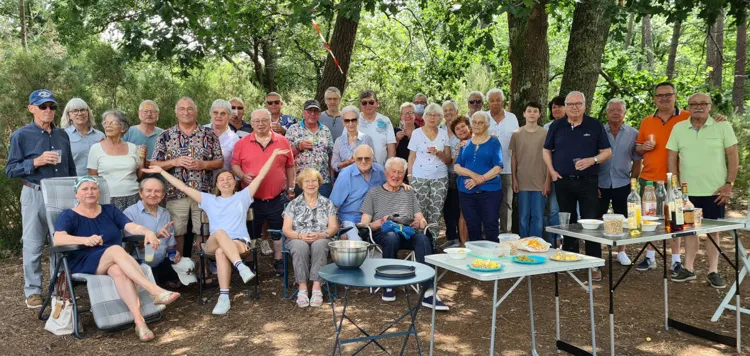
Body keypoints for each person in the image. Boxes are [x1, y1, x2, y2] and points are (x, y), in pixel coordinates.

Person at [144, 148, 288, 314]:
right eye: (221, 179)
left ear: (235, 183)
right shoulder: (208, 199)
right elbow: (182, 187)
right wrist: (161, 170)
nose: (225, 181)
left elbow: (261, 175)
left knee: (221, 252)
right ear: (217, 185)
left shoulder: (243, 196)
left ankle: (224, 297)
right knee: (219, 233)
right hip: (212, 242)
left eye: (229, 178)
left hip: (238, 243)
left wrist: (274, 155)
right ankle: (240, 266)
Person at [53, 176, 180, 342]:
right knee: (115, 249)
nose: (90, 192)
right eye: (85, 189)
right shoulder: (69, 215)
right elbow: (58, 239)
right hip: (84, 260)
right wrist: (84, 240)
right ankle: (154, 290)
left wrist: (147, 231)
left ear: (99, 192)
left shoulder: (110, 210)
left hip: (113, 260)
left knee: (118, 270)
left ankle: (139, 323)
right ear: (76, 194)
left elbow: (130, 226)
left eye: (94, 188)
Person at [5, 89, 76, 309]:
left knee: (61, 242)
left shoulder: (62, 135)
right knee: (33, 244)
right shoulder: (21, 135)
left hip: (62, 194)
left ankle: (58, 288)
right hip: (34, 193)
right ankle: (33, 291)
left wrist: (75, 191)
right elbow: (10, 170)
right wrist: (36, 162)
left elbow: (71, 166)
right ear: (31, 108)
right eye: (43, 106)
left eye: (51, 106)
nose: (48, 110)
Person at [667, 93, 738, 288]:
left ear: (710, 106)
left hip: (716, 191)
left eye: (703, 103)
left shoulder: (722, 126)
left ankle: (713, 271)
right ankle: (688, 269)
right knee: (689, 231)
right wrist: (675, 186)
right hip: (687, 193)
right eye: (694, 104)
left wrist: (729, 184)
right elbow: (672, 158)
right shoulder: (679, 128)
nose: (698, 107)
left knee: (713, 232)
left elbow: (733, 156)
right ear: (688, 107)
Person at [360, 157, 449, 311]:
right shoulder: (373, 193)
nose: (396, 175)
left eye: (400, 173)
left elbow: (420, 218)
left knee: (422, 238)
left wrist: (419, 222)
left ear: (404, 174)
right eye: (393, 171)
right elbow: (363, 224)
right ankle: (388, 284)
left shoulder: (409, 192)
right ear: (386, 172)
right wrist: (380, 222)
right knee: (391, 236)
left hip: (407, 232)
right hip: (384, 233)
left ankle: (429, 291)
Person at [543, 91, 612, 281]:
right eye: (570, 104)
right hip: (563, 181)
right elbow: (546, 150)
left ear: (584, 105)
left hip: (588, 182)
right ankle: (570, 258)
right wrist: (552, 171)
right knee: (569, 222)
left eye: (578, 104)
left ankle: (594, 263)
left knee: (590, 222)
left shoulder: (595, 124)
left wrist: (593, 160)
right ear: (565, 106)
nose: (574, 107)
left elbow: (607, 152)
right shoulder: (557, 126)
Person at [151, 97, 224, 259]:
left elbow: (220, 161)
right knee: (177, 233)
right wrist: (174, 162)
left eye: (190, 108)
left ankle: (203, 271)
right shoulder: (165, 135)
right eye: (182, 109)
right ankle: (180, 270)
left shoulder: (209, 134)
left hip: (203, 193)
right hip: (174, 193)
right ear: (176, 113)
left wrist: (202, 165)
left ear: (196, 112)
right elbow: (154, 163)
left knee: (204, 232)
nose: (186, 112)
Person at [231, 109, 296, 276]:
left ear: (270, 122)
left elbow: (290, 165)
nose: (260, 124)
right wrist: (242, 175)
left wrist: (291, 187)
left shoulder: (282, 141)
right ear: (251, 123)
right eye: (257, 121)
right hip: (251, 198)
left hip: (277, 196)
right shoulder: (242, 143)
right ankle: (251, 262)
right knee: (251, 233)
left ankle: (279, 260)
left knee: (278, 232)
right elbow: (234, 165)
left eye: (264, 120)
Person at [633, 82, 689, 274]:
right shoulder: (647, 121)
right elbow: (638, 148)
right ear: (654, 98)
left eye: (668, 94)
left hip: (675, 179)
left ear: (675, 95)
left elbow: (706, 125)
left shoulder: (687, 118)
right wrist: (643, 148)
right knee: (650, 221)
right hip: (649, 178)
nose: (664, 98)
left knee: (675, 220)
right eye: (660, 95)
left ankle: (675, 260)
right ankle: (650, 257)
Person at [282, 168, 339, 308]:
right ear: (301, 185)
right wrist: (300, 236)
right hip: (297, 238)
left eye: (314, 181)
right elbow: (286, 229)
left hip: (321, 237)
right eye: (307, 181)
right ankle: (302, 287)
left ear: (319, 183)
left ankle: (316, 287)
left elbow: (333, 227)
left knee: (319, 244)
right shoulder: (293, 204)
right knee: (299, 246)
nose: (311, 184)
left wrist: (321, 234)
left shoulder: (327, 203)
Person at [597, 99, 641, 266]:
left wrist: (633, 184)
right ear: (607, 113)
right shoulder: (599, 131)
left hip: (623, 183)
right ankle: (598, 251)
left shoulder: (633, 133)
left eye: (619, 110)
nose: (616, 112)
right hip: (600, 183)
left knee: (624, 218)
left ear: (624, 113)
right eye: (612, 110)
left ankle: (621, 252)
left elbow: (637, 160)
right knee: (596, 218)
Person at [454, 112, 504, 243]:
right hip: (467, 193)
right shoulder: (466, 144)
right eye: (474, 122)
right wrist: (473, 175)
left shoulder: (494, 142)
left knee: (491, 226)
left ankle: (493, 260)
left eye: (480, 122)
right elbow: (457, 167)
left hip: (490, 192)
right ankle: (476, 260)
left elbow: (498, 167)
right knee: (473, 227)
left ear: (487, 125)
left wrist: (479, 179)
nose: (476, 125)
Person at [123, 177, 180, 289]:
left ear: (163, 195)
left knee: (188, 266)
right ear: (140, 193)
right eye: (148, 191)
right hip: (140, 263)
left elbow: (170, 244)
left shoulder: (165, 213)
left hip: (162, 261)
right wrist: (155, 236)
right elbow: (128, 248)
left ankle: (165, 278)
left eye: (157, 191)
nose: (153, 194)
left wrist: (175, 253)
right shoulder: (130, 213)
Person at [88, 110, 143, 211]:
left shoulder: (132, 147)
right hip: (106, 198)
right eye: (105, 122)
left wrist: (143, 158)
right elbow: (92, 178)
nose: (107, 125)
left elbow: (139, 175)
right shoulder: (95, 148)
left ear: (123, 128)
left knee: (131, 226)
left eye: (112, 122)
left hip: (133, 197)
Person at [510, 102, 550, 238]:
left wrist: (547, 181)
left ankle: (536, 245)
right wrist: (514, 179)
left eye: (535, 111)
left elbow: (549, 158)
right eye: (529, 111)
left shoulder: (545, 134)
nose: (532, 113)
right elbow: (514, 158)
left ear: (539, 114)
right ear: (524, 114)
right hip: (522, 180)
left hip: (540, 181)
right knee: (523, 216)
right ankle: (523, 244)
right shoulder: (516, 134)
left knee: (538, 217)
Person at [329, 145, 386, 241]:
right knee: (358, 246)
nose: (363, 161)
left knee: (390, 239)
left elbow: (389, 187)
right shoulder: (345, 175)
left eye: (367, 158)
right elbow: (332, 205)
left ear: (373, 158)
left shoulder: (380, 171)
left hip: (375, 219)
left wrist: (401, 185)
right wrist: (339, 228)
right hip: (351, 219)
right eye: (359, 158)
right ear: (354, 159)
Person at [407, 103, 451, 226]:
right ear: (424, 117)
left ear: (440, 118)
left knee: (436, 212)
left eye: (436, 115)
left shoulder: (444, 134)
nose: (432, 117)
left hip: (440, 178)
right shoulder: (416, 133)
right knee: (419, 213)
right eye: (429, 114)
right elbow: (411, 156)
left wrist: (439, 153)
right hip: (419, 177)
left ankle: (433, 242)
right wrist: (410, 176)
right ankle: (420, 241)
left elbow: (448, 160)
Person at [485, 88, 519, 233]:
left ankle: (506, 235)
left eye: (498, 100)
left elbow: (517, 143)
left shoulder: (512, 118)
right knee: (487, 204)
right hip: (486, 170)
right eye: (492, 100)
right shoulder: (483, 117)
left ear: (503, 101)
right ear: (488, 103)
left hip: (507, 168)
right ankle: (487, 235)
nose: (495, 103)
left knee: (506, 204)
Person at [286, 100, 334, 197]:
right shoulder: (293, 129)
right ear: (304, 112)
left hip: (322, 181)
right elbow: (286, 155)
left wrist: (332, 179)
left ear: (319, 114)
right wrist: (299, 147)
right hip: (301, 181)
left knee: (322, 210)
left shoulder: (325, 130)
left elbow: (331, 156)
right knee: (302, 211)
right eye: (309, 111)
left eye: (315, 111)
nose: (312, 114)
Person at [441, 101, 469, 248]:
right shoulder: (439, 130)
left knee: (461, 207)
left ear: (457, 111)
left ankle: (463, 238)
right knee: (448, 207)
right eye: (445, 111)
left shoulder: (463, 129)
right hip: (445, 173)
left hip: (462, 173)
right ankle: (451, 237)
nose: (448, 113)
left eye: (451, 110)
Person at [60, 98, 105, 176]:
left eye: (83, 110)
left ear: (88, 113)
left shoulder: (100, 135)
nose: (80, 113)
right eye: (75, 111)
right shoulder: (63, 136)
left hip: (97, 182)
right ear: (69, 115)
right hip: (74, 182)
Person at [447, 115, 472, 247]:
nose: (461, 130)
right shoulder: (459, 145)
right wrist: (459, 150)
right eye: (457, 129)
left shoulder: (480, 139)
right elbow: (455, 165)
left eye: (463, 126)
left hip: (483, 183)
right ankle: (463, 244)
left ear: (469, 126)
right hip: (464, 183)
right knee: (463, 213)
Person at [544, 96, 566, 245]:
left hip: (572, 175)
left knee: (571, 211)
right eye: (553, 107)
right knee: (553, 210)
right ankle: (554, 240)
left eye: (559, 106)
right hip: (552, 173)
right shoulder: (547, 127)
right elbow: (546, 153)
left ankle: (568, 241)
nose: (556, 109)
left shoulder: (574, 125)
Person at [331, 106, 374, 174]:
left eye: (353, 120)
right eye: (347, 120)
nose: (350, 123)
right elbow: (334, 164)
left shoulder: (367, 139)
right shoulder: (338, 141)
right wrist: (347, 163)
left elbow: (373, 161)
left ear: (358, 120)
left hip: (364, 179)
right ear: (343, 122)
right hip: (345, 179)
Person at [358, 90, 396, 165]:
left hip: (380, 169)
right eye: (364, 103)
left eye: (371, 102)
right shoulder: (353, 120)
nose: (368, 105)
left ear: (377, 103)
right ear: (360, 105)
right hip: (357, 169)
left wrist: (387, 169)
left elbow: (391, 149)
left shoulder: (385, 121)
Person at [204, 99, 240, 173]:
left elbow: (236, 165)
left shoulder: (235, 139)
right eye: (215, 113)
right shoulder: (200, 131)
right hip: (201, 181)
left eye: (223, 113)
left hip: (223, 182)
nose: (218, 116)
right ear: (210, 113)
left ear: (229, 116)